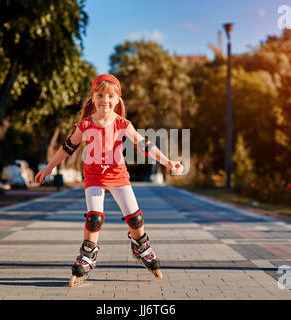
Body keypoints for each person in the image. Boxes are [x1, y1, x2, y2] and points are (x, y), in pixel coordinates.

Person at [35, 74, 183, 287]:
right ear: (93, 98)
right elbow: (68, 147)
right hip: (94, 175)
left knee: (136, 220)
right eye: (100, 94)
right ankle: (87, 256)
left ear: (117, 99)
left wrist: (168, 162)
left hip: (118, 174)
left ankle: (141, 247)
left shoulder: (123, 123)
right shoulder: (85, 124)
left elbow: (144, 145)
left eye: (110, 95)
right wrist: (48, 168)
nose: (105, 99)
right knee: (94, 219)